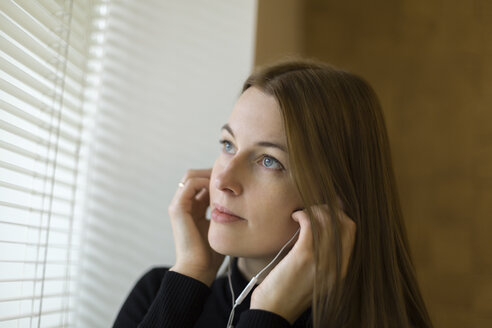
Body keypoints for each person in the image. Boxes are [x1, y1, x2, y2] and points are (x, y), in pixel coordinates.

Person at [112, 59, 433, 328]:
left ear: (337, 195)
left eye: (268, 161)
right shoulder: (160, 294)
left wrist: (269, 313)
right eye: (228, 145)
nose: (222, 179)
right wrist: (192, 273)